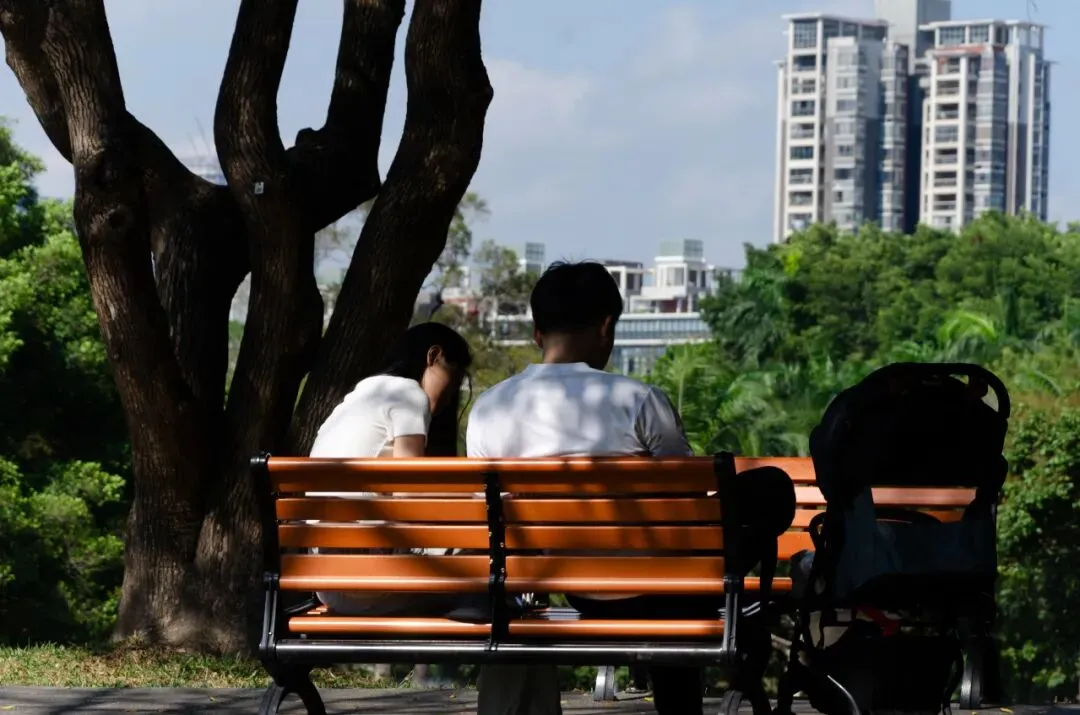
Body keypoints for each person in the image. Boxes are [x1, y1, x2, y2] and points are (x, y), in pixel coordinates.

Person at [465, 261, 705, 715]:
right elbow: (687, 503)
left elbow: (487, 516)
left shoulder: (488, 409)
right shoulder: (639, 400)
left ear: (537, 333)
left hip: (570, 585)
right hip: (656, 590)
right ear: (606, 327)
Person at [308, 321, 478, 619]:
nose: (450, 396)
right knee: (483, 549)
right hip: (372, 583)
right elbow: (408, 493)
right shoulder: (408, 394)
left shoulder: (356, 399)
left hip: (328, 585)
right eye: (453, 379)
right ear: (434, 356)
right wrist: (477, 498)